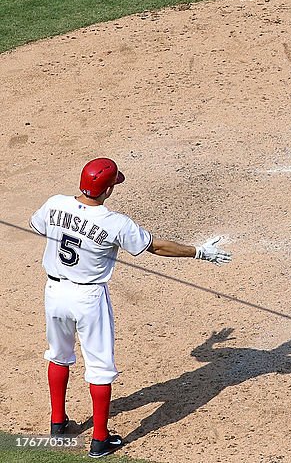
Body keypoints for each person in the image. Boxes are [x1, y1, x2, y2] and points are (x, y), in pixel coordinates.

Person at [29, 158, 232, 458]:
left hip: (55, 292)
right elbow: (156, 247)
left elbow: (39, 227)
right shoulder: (115, 223)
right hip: (89, 300)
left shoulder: (54, 203)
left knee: (58, 356)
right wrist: (199, 252)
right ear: (108, 189)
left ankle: (57, 425)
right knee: (99, 368)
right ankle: (100, 440)